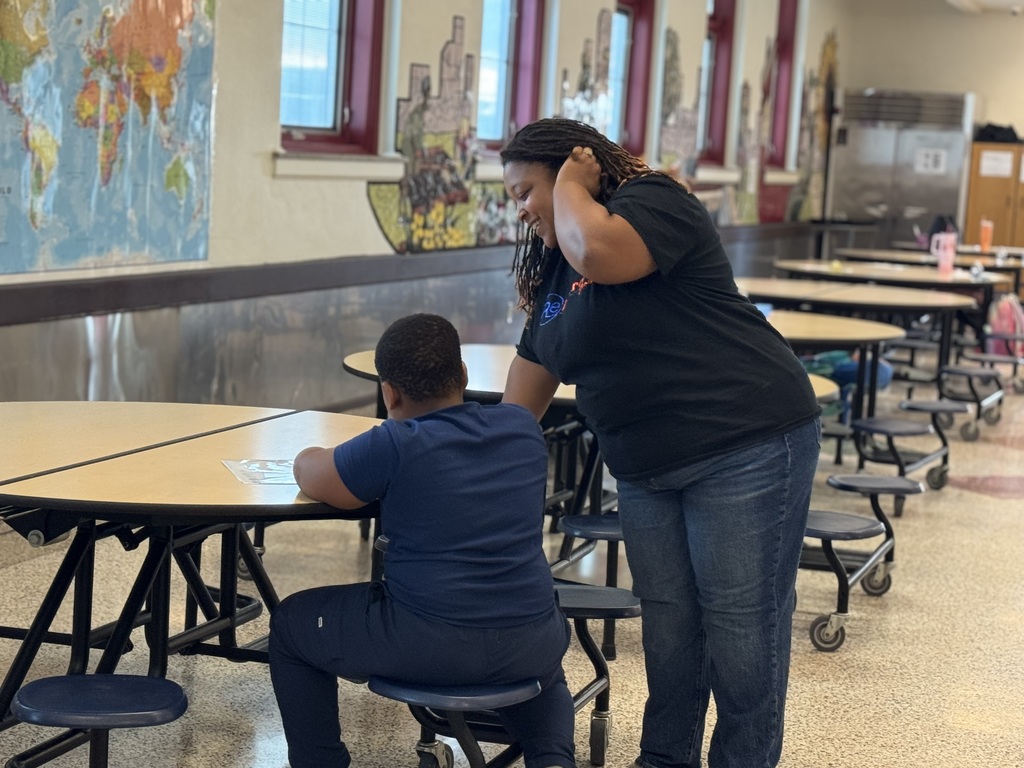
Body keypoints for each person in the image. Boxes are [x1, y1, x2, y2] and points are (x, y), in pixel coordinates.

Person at [499, 118, 821, 768]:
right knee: (671, 631)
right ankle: (664, 758)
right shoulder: (558, 273)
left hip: (746, 441)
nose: (521, 208)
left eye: (527, 189)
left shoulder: (650, 204)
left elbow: (599, 252)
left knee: (739, 630)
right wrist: (464, 455)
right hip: (647, 469)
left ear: (571, 170)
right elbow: (529, 382)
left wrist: (570, 186)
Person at [269, 313, 576, 768]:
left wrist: (308, 454)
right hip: (533, 638)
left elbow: (314, 475)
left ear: (388, 392)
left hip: (429, 642)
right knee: (544, 671)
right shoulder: (522, 429)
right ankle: (554, 759)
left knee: (293, 623)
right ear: (464, 376)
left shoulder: (396, 443)